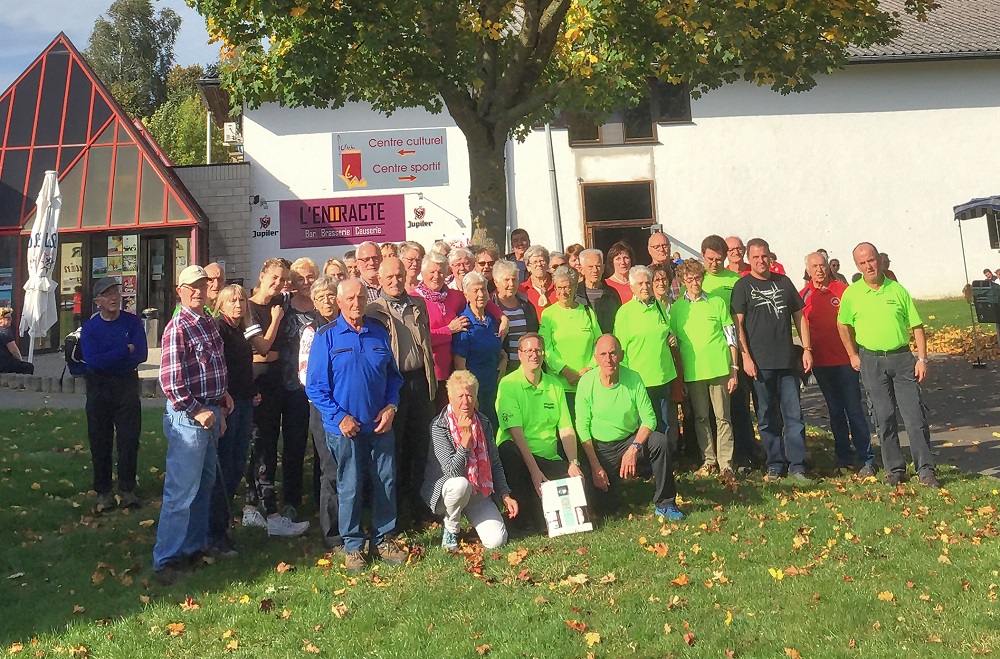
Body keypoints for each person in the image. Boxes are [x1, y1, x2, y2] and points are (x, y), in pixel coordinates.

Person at [305, 278, 408, 573]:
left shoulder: (378, 333)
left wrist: (391, 407)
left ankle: (383, 538)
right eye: (349, 298)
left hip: (379, 425)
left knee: (385, 481)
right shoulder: (326, 336)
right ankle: (352, 545)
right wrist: (339, 417)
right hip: (345, 429)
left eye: (360, 297)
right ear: (339, 302)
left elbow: (393, 378)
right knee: (349, 485)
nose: (355, 303)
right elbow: (314, 387)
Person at [153, 265, 234, 585]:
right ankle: (166, 559)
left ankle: (192, 548)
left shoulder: (208, 323)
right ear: (180, 290)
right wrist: (198, 410)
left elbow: (214, 365)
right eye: (193, 286)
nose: (199, 290)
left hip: (212, 412)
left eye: (204, 284)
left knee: (203, 486)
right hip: (189, 418)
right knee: (181, 492)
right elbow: (170, 382)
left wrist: (223, 395)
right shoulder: (178, 327)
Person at [838, 242, 938, 488]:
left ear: (879, 260)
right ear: (857, 266)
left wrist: (922, 359)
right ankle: (895, 469)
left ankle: (925, 470)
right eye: (863, 263)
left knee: (914, 417)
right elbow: (842, 325)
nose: (869, 266)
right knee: (884, 417)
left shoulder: (897, 290)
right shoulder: (852, 294)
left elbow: (916, 326)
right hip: (871, 360)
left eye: (871, 260)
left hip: (902, 359)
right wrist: (852, 354)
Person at [731, 238, 813, 483]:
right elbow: (738, 324)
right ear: (749, 259)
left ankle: (797, 465)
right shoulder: (742, 286)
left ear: (770, 256)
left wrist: (806, 348)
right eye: (755, 257)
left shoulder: (783, 282)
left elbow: (800, 317)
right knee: (767, 417)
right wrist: (746, 357)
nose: (761, 260)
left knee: (794, 415)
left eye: (764, 256)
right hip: (759, 364)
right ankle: (775, 463)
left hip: (787, 362)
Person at [575, 335, 683, 519]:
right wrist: (595, 466)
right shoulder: (586, 382)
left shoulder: (633, 378)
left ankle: (665, 504)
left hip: (629, 442)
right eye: (603, 354)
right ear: (595, 359)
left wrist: (634, 448)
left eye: (613, 353)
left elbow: (649, 418)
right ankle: (613, 490)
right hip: (600, 449)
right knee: (606, 510)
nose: (608, 359)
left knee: (660, 441)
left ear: (622, 355)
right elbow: (582, 428)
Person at [494, 333, 591, 532]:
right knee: (509, 452)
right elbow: (516, 433)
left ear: (544, 354)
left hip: (547, 457)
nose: (534, 355)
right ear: (519, 355)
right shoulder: (508, 384)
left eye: (538, 350)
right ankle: (521, 521)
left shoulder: (554, 385)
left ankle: (540, 514)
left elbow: (566, 428)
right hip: (520, 457)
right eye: (528, 350)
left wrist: (573, 462)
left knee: (581, 480)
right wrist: (535, 472)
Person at [366, 258, 437, 526]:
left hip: (420, 381)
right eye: (389, 277)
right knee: (394, 449)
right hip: (392, 385)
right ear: (380, 280)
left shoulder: (418, 304)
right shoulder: (373, 310)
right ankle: (394, 514)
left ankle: (418, 506)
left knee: (420, 446)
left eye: (399, 275)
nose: (395, 281)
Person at [244, 259, 310, 536]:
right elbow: (259, 349)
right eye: (274, 278)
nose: (280, 284)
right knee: (262, 448)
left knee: (282, 446)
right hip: (259, 386)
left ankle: (275, 506)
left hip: (284, 384)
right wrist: (273, 326)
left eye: (284, 279)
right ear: (261, 275)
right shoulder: (248, 307)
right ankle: (259, 509)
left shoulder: (284, 299)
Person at [422, 370, 518, 550]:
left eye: (469, 395)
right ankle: (451, 529)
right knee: (460, 484)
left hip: (478, 491)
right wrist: (465, 442)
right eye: (460, 396)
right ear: (450, 397)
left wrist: (505, 494)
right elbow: (452, 471)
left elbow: (494, 462)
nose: (465, 401)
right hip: (449, 491)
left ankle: (473, 520)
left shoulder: (484, 423)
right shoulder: (439, 426)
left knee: (497, 541)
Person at [800, 253, 874, 476]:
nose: (819, 270)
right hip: (821, 364)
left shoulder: (843, 290)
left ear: (828, 267)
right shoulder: (803, 295)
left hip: (846, 361)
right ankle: (843, 458)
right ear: (808, 270)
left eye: (822, 265)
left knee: (854, 409)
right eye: (814, 266)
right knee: (835, 411)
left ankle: (867, 458)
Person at [80, 277, 147, 510]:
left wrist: (118, 355)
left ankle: (127, 489)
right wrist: (123, 350)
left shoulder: (132, 322)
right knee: (100, 440)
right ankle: (103, 491)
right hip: (99, 387)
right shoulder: (90, 329)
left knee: (129, 439)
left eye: (117, 293)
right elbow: (94, 363)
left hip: (126, 385)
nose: (114, 298)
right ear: (98, 301)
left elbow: (141, 354)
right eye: (108, 294)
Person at [670, 260, 739, 477]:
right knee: (700, 418)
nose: (694, 283)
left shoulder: (717, 302)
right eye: (689, 279)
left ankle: (725, 462)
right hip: (693, 372)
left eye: (697, 278)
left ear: (703, 278)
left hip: (719, 369)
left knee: (723, 417)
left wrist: (734, 368)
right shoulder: (677, 308)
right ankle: (709, 460)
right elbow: (676, 344)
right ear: (682, 281)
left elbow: (731, 336)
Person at [207, 284, 259, 557]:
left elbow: (242, 367)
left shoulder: (241, 330)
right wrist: (223, 399)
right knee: (224, 468)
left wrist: (253, 391)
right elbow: (218, 367)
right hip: (228, 406)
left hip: (245, 401)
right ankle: (214, 532)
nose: (238, 304)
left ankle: (224, 526)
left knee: (238, 464)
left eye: (241, 299)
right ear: (222, 304)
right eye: (232, 300)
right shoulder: (219, 328)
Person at [701, 235, 757, 469]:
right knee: (708, 411)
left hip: (732, 353)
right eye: (710, 259)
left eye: (719, 259)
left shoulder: (736, 281)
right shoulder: (695, 281)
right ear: (702, 255)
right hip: (704, 357)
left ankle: (744, 455)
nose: (714, 264)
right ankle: (709, 457)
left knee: (738, 407)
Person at [298, 276, 342, 551]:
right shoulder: (312, 332)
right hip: (324, 407)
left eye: (331, 296)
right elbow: (304, 375)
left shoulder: (345, 326)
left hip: (350, 406)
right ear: (314, 302)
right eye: (321, 297)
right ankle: (332, 534)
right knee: (331, 470)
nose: (327, 301)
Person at [277, 258, 320, 519]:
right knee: (293, 445)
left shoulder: (324, 306)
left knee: (321, 446)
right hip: (291, 387)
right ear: (292, 282)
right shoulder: (284, 308)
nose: (306, 282)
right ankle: (291, 500)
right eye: (300, 278)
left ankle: (320, 497)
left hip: (320, 388)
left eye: (311, 276)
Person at [613, 266, 679, 437]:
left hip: (663, 376)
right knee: (646, 428)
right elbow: (620, 350)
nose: (645, 287)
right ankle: (647, 463)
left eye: (647, 283)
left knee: (665, 425)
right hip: (640, 380)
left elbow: (665, 331)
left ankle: (666, 462)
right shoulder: (624, 313)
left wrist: (671, 336)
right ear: (632, 287)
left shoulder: (659, 306)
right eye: (640, 283)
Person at [539, 266, 602, 414]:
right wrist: (565, 370)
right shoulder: (548, 314)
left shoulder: (587, 312)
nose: (563, 292)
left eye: (567, 287)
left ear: (574, 287)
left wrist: (590, 367)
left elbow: (599, 344)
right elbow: (545, 348)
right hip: (559, 385)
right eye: (559, 288)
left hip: (587, 383)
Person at [453, 271, 506, 430]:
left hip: (495, 386)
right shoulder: (463, 323)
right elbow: (459, 364)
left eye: (483, 289)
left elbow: (498, 350)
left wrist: (503, 363)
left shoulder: (492, 319)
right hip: (476, 391)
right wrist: (470, 396)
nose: (480, 294)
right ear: (466, 294)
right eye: (475, 290)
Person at [415, 252, 469, 407]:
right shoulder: (415, 299)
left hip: (455, 369)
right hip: (430, 372)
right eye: (431, 272)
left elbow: (480, 300)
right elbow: (420, 338)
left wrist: (501, 317)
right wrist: (449, 330)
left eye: (440, 272)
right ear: (422, 273)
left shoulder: (455, 296)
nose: (436, 276)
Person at [492, 260, 539, 375]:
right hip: (502, 368)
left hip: (526, 367)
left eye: (514, 279)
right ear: (496, 282)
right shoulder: (491, 306)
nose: (511, 284)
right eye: (506, 280)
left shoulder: (526, 305)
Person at [575, 248, 620, 334]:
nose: (595, 271)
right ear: (582, 269)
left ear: (603, 268)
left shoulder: (612, 294)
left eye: (598, 266)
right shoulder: (575, 294)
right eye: (590, 267)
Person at [518, 244, 556, 318]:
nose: (539, 264)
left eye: (542, 261)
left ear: (547, 264)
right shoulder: (521, 290)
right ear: (528, 267)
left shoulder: (557, 285)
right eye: (535, 262)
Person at [0, 307, 33, 374]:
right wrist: (20, 361)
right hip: (4, 364)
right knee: (29, 367)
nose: (11, 320)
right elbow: (14, 351)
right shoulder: (5, 332)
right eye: (8, 318)